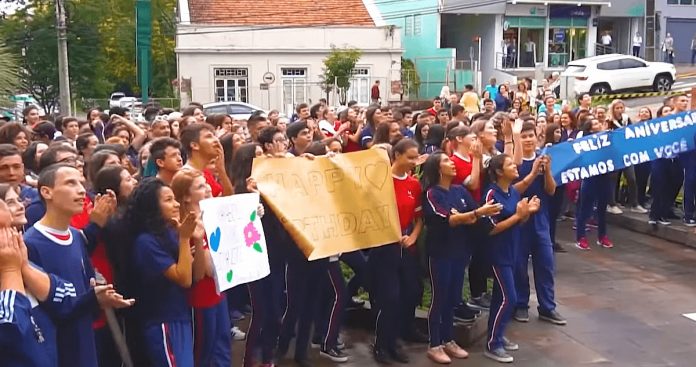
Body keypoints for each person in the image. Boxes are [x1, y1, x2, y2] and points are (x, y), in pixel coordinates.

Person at [25, 164, 132, 367]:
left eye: (81, 183)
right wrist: (92, 298)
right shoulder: (31, 244)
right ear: (46, 192)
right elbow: (48, 308)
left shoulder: (75, 236)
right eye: (70, 183)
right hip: (59, 350)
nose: (82, 190)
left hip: (85, 340)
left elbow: (84, 292)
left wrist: (100, 298)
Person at [421, 151, 502, 364]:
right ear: (437, 168)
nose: (452, 164)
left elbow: (475, 215)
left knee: (452, 298)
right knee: (439, 298)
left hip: (460, 251)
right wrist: (473, 215)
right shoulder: (432, 194)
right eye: (446, 161)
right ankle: (434, 344)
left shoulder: (459, 190)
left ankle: (448, 339)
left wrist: (476, 216)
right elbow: (446, 219)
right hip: (440, 253)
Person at [124, 177, 200, 366]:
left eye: (174, 199)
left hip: (179, 315)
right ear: (152, 207)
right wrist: (184, 239)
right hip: (163, 321)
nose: (175, 205)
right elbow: (184, 279)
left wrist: (196, 240)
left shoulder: (169, 231)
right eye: (168, 200)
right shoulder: (146, 242)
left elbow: (195, 274)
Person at [370, 139, 424, 364]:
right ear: (397, 155)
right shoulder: (380, 182)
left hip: (405, 245)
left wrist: (412, 237)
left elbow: (418, 218)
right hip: (383, 246)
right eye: (410, 157)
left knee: (410, 292)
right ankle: (382, 344)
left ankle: (398, 337)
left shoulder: (413, 184)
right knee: (389, 297)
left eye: (416, 157)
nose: (414, 162)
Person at [483, 154, 541, 363]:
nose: (515, 166)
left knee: (501, 297)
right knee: (510, 298)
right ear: (499, 171)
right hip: (498, 253)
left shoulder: (512, 192)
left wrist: (527, 212)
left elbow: (519, 221)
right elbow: (490, 229)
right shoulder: (492, 194)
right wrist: (518, 216)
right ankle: (493, 344)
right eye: (509, 164)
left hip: (512, 250)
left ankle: (496, 335)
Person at [171, 169, 232, 367]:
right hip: (201, 298)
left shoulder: (212, 213)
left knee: (222, 342)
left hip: (218, 291)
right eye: (200, 186)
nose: (207, 188)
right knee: (204, 350)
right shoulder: (185, 226)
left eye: (206, 183)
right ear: (186, 197)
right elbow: (202, 272)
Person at [511, 122, 566, 326]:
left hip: (541, 221)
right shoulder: (515, 162)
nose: (527, 139)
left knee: (545, 263)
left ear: (537, 137)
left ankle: (547, 307)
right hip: (519, 221)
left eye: (530, 136)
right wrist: (533, 172)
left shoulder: (543, 159)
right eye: (523, 136)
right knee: (519, 265)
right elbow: (513, 190)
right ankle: (521, 304)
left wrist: (548, 171)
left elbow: (551, 190)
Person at [575, 115, 614, 250]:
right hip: (590, 177)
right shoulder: (585, 141)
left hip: (604, 176)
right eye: (596, 123)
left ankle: (602, 236)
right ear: (590, 128)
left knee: (602, 209)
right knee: (585, 208)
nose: (599, 124)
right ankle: (581, 237)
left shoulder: (607, 139)